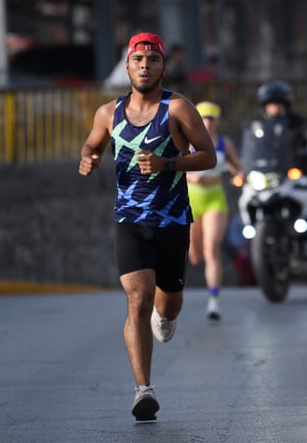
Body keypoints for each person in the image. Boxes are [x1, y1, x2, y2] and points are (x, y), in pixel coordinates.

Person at [78, 32, 216, 422]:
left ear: (162, 67)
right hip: (130, 221)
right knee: (136, 300)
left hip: (172, 221)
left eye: (152, 60)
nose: (144, 66)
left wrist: (167, 164)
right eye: (138, 60)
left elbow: (208, 157)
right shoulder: (108, 113)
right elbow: (92, 144)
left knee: (167, 301)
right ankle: (144, 390)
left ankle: (167, 314)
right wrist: (88, 158)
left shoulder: (178, 109)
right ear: (128, 67)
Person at [187, 100, 245, 320]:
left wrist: (239, 176)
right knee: (195, 255)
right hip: (192, 198)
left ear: (218, 121)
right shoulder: (187, 142)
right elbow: (173, 167)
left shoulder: (223, 143)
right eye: (203, 118)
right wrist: (191, 176)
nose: (207, 123)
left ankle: (214, 302)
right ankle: (195, 254)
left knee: (212, 248)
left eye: (211, 119)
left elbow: (237, 168)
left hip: (214, 198)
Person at [257, 80, 307, 172]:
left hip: (296, 171)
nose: (276, 109)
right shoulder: (260, 128)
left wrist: (303, 154)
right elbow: (253, 150)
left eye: (279, 105)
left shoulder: (299, 124)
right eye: (272, 105)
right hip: (269, 172)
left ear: (286, 106)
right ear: (265, 107)